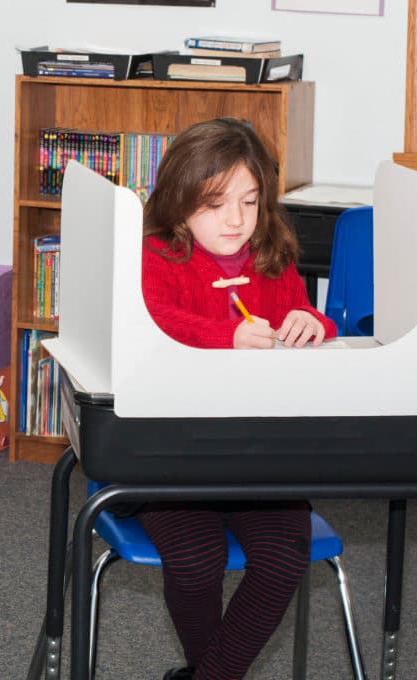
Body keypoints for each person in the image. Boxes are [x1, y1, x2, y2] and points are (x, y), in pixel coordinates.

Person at [139, 117, 337, 680]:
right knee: (195, 561)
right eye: (216, 203)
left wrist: (311, 320)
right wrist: (223, 337)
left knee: (282, 558)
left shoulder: (271, 255)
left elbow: (307, 314)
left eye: (249, 203)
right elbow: (153, 320)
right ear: (178, 203)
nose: (236, 220)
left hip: (260, 458)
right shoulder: (157, 255)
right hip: (173, 463)